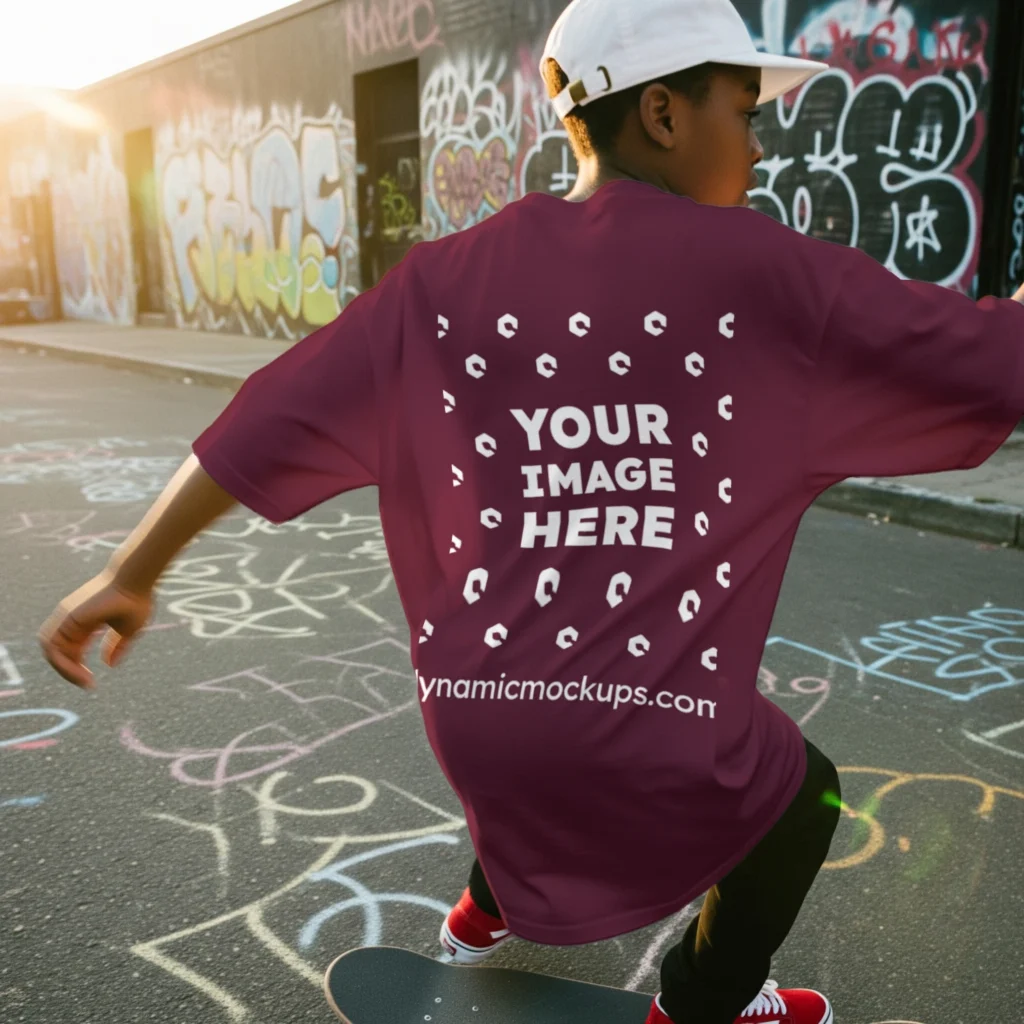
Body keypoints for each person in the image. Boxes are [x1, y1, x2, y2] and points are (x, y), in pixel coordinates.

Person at [38, 0, 1024, 1021]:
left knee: (542, 710)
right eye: (743, 108)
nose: (761, 143)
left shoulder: (437, 283)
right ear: (662, 114)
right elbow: (987, 353)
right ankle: (700, 1003)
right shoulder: (767, 272)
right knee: (802, 794)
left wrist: (133, 571)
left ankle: (476, 915)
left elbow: (260, 423)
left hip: (475, 721)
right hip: (652, 733)